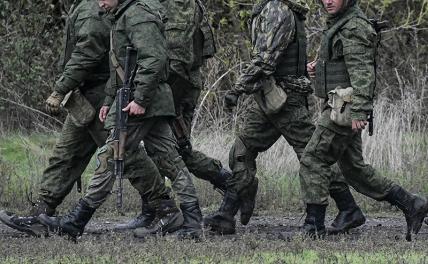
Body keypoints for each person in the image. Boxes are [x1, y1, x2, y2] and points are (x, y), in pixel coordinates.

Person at [204, 0, 365, 235]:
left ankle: (345, 209)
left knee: (313, 157)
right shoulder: (272, 7)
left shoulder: (278, 10)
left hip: (286, 99)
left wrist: (237, 89)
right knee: (242, 151)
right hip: (271, 96)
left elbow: (266, 59)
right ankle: (226, 215)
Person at [35, 0, 194, 240]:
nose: (100, 3)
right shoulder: (123, 13)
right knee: (170, 161)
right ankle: (191, 221)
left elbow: (153, 59)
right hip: (140, 98)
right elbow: (119, 67)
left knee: (111, 154)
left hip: (144, 100)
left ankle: (77, 219)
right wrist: (110, 100)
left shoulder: (137, 14)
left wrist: (139, 99)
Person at [299, 0, 428, 240]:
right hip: (341, 103)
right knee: (354, 169)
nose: (328, 0)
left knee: (313, 159)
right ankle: (411, 204)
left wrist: (359, 111)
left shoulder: (354, 26)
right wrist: (321, 67)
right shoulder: (340, 22)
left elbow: (362, 71)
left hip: (345, 107)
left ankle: (313, 228)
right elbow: (345, 62)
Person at [114, 0, 244, 235]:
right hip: (167, 86)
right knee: (171, 151)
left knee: (171, 151)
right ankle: (231, 187)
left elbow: (177, 59)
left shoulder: (179, 4)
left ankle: (161, 212)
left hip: (175, 87)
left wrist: (154, 98)